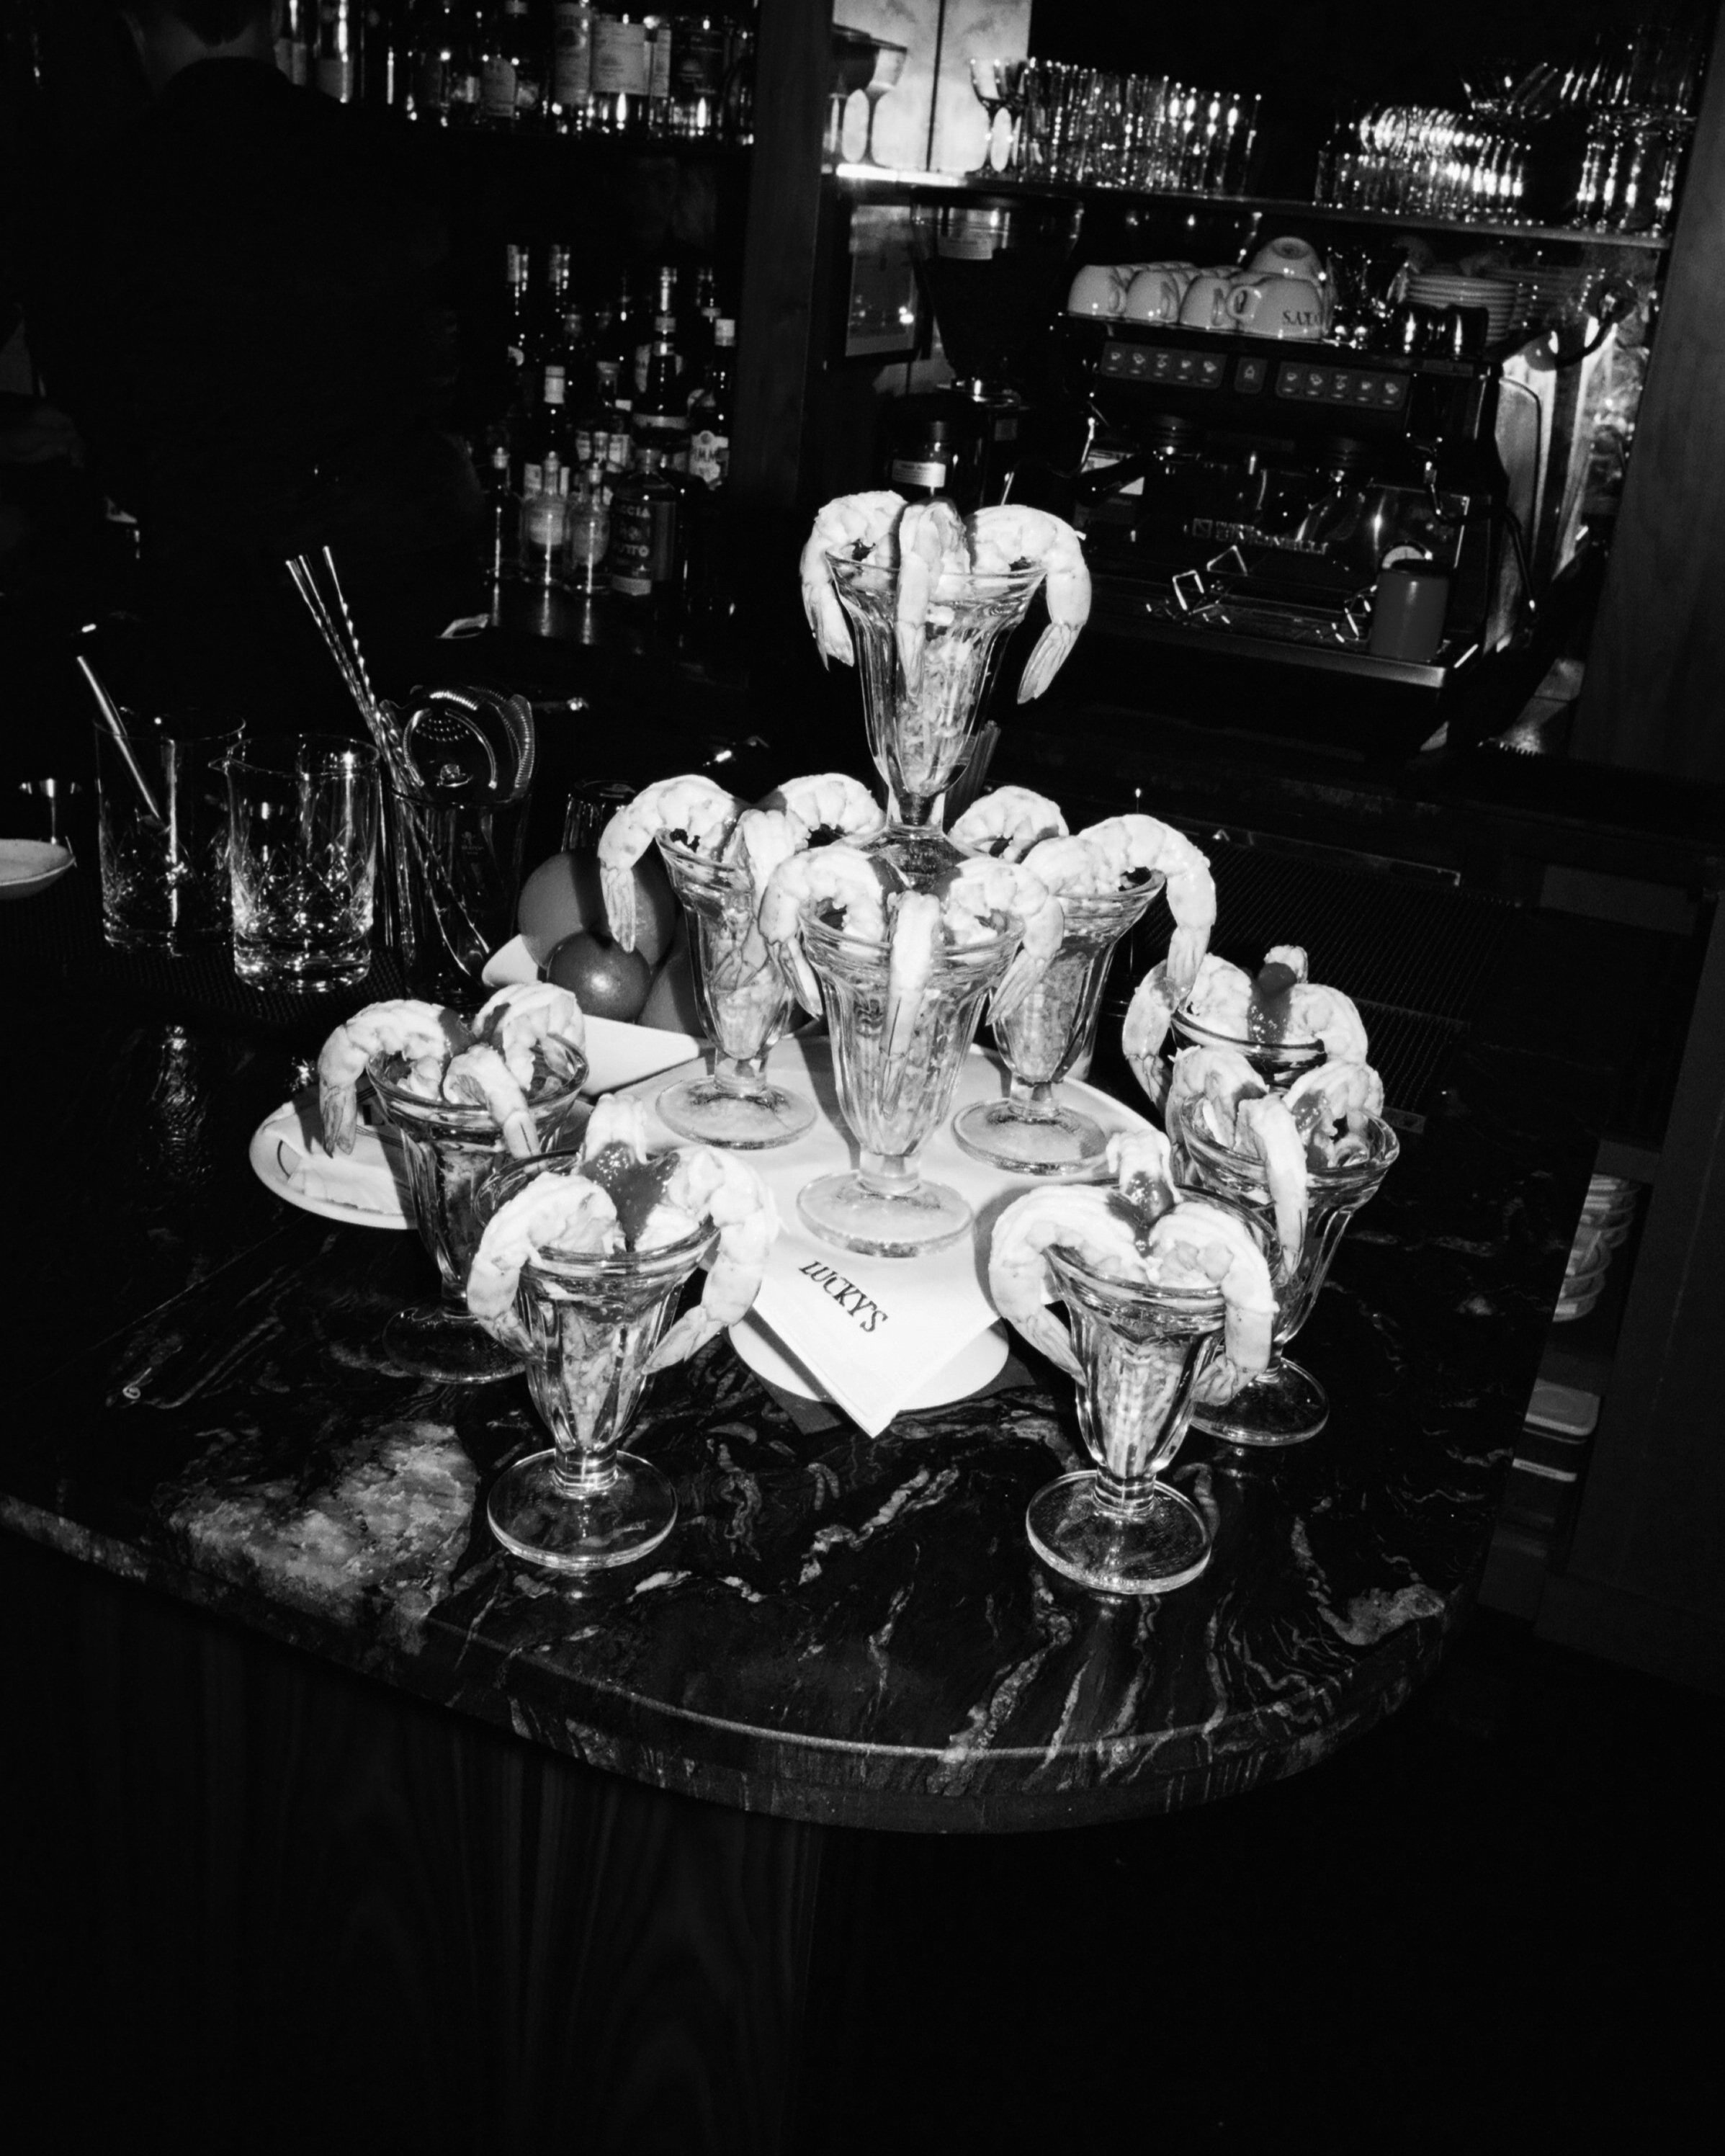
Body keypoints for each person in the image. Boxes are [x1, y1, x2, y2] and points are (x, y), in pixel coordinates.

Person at [24, 0, 488, 731]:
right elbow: (483, 365)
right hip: (403, 563)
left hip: (218, 580)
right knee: (405, 813)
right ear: (273, 18)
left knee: (238, 814)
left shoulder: (103, 192)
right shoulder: (398, 154)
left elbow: (98, 408)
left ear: (136, 25)